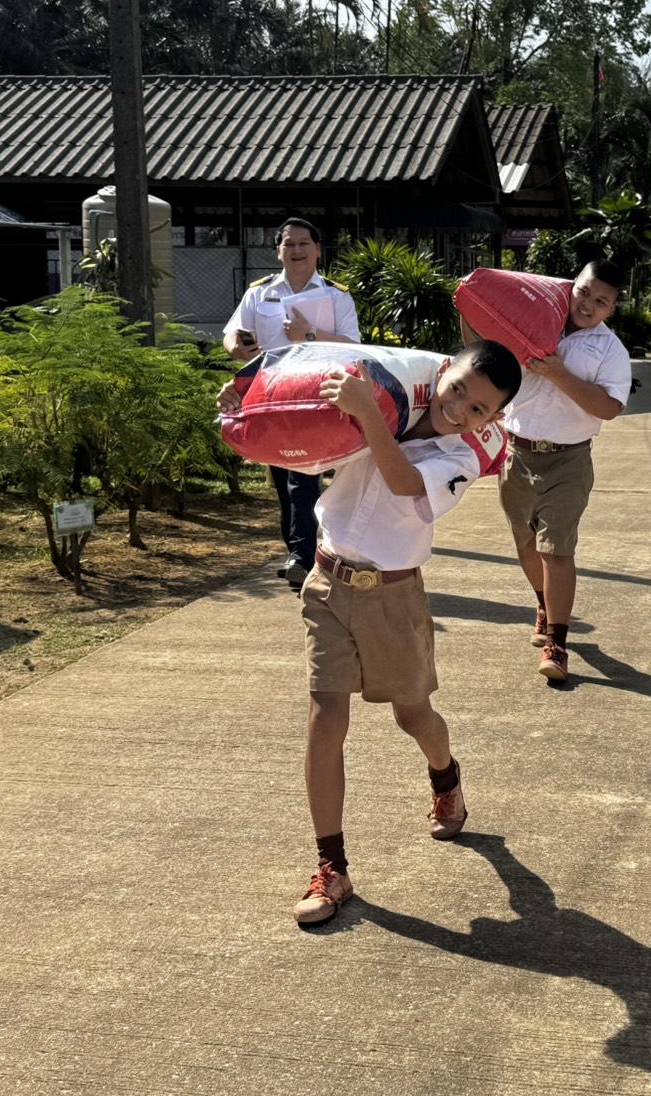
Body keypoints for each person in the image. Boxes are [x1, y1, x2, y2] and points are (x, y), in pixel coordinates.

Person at [217, 339, 522, 926]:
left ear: (493, 418)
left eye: (479, 408)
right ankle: (332, 868)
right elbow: (301, 432)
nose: (460, 409)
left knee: (414, 717)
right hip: (327, 584)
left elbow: (405, 483)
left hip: (393, 598)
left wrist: (366, 412)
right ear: (444, 371)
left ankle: (446, 776)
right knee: (325, 718)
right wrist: (247, 402)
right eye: (458, 389)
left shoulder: (459, 456)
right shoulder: (387, 398)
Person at [496, 259, 631, 686]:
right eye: (584, 292)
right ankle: (543, 602)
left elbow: (609, 407)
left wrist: (559, 374)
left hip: (568, 461)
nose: (588, 305)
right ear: (573, 286)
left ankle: (557, 641)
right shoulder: (535, 322)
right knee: (526, 545)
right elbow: (490, 356)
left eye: (601, 301)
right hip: (517, 454)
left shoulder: (610, 350)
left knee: (556, 549)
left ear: (612, 308)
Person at [223, 218, 360, 593]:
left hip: (316, 395)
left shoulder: (336, 296)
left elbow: (354, 345)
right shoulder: (260, 292)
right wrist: (236, 348)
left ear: (318, 250)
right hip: (271, 396)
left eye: (303, 243)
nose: (296, 250)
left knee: (303, 474)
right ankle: (298, 553)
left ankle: (302, 558)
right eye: (289, 244)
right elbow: (233, 332)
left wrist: (310, 334)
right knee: (284, 480)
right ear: (278, 251)